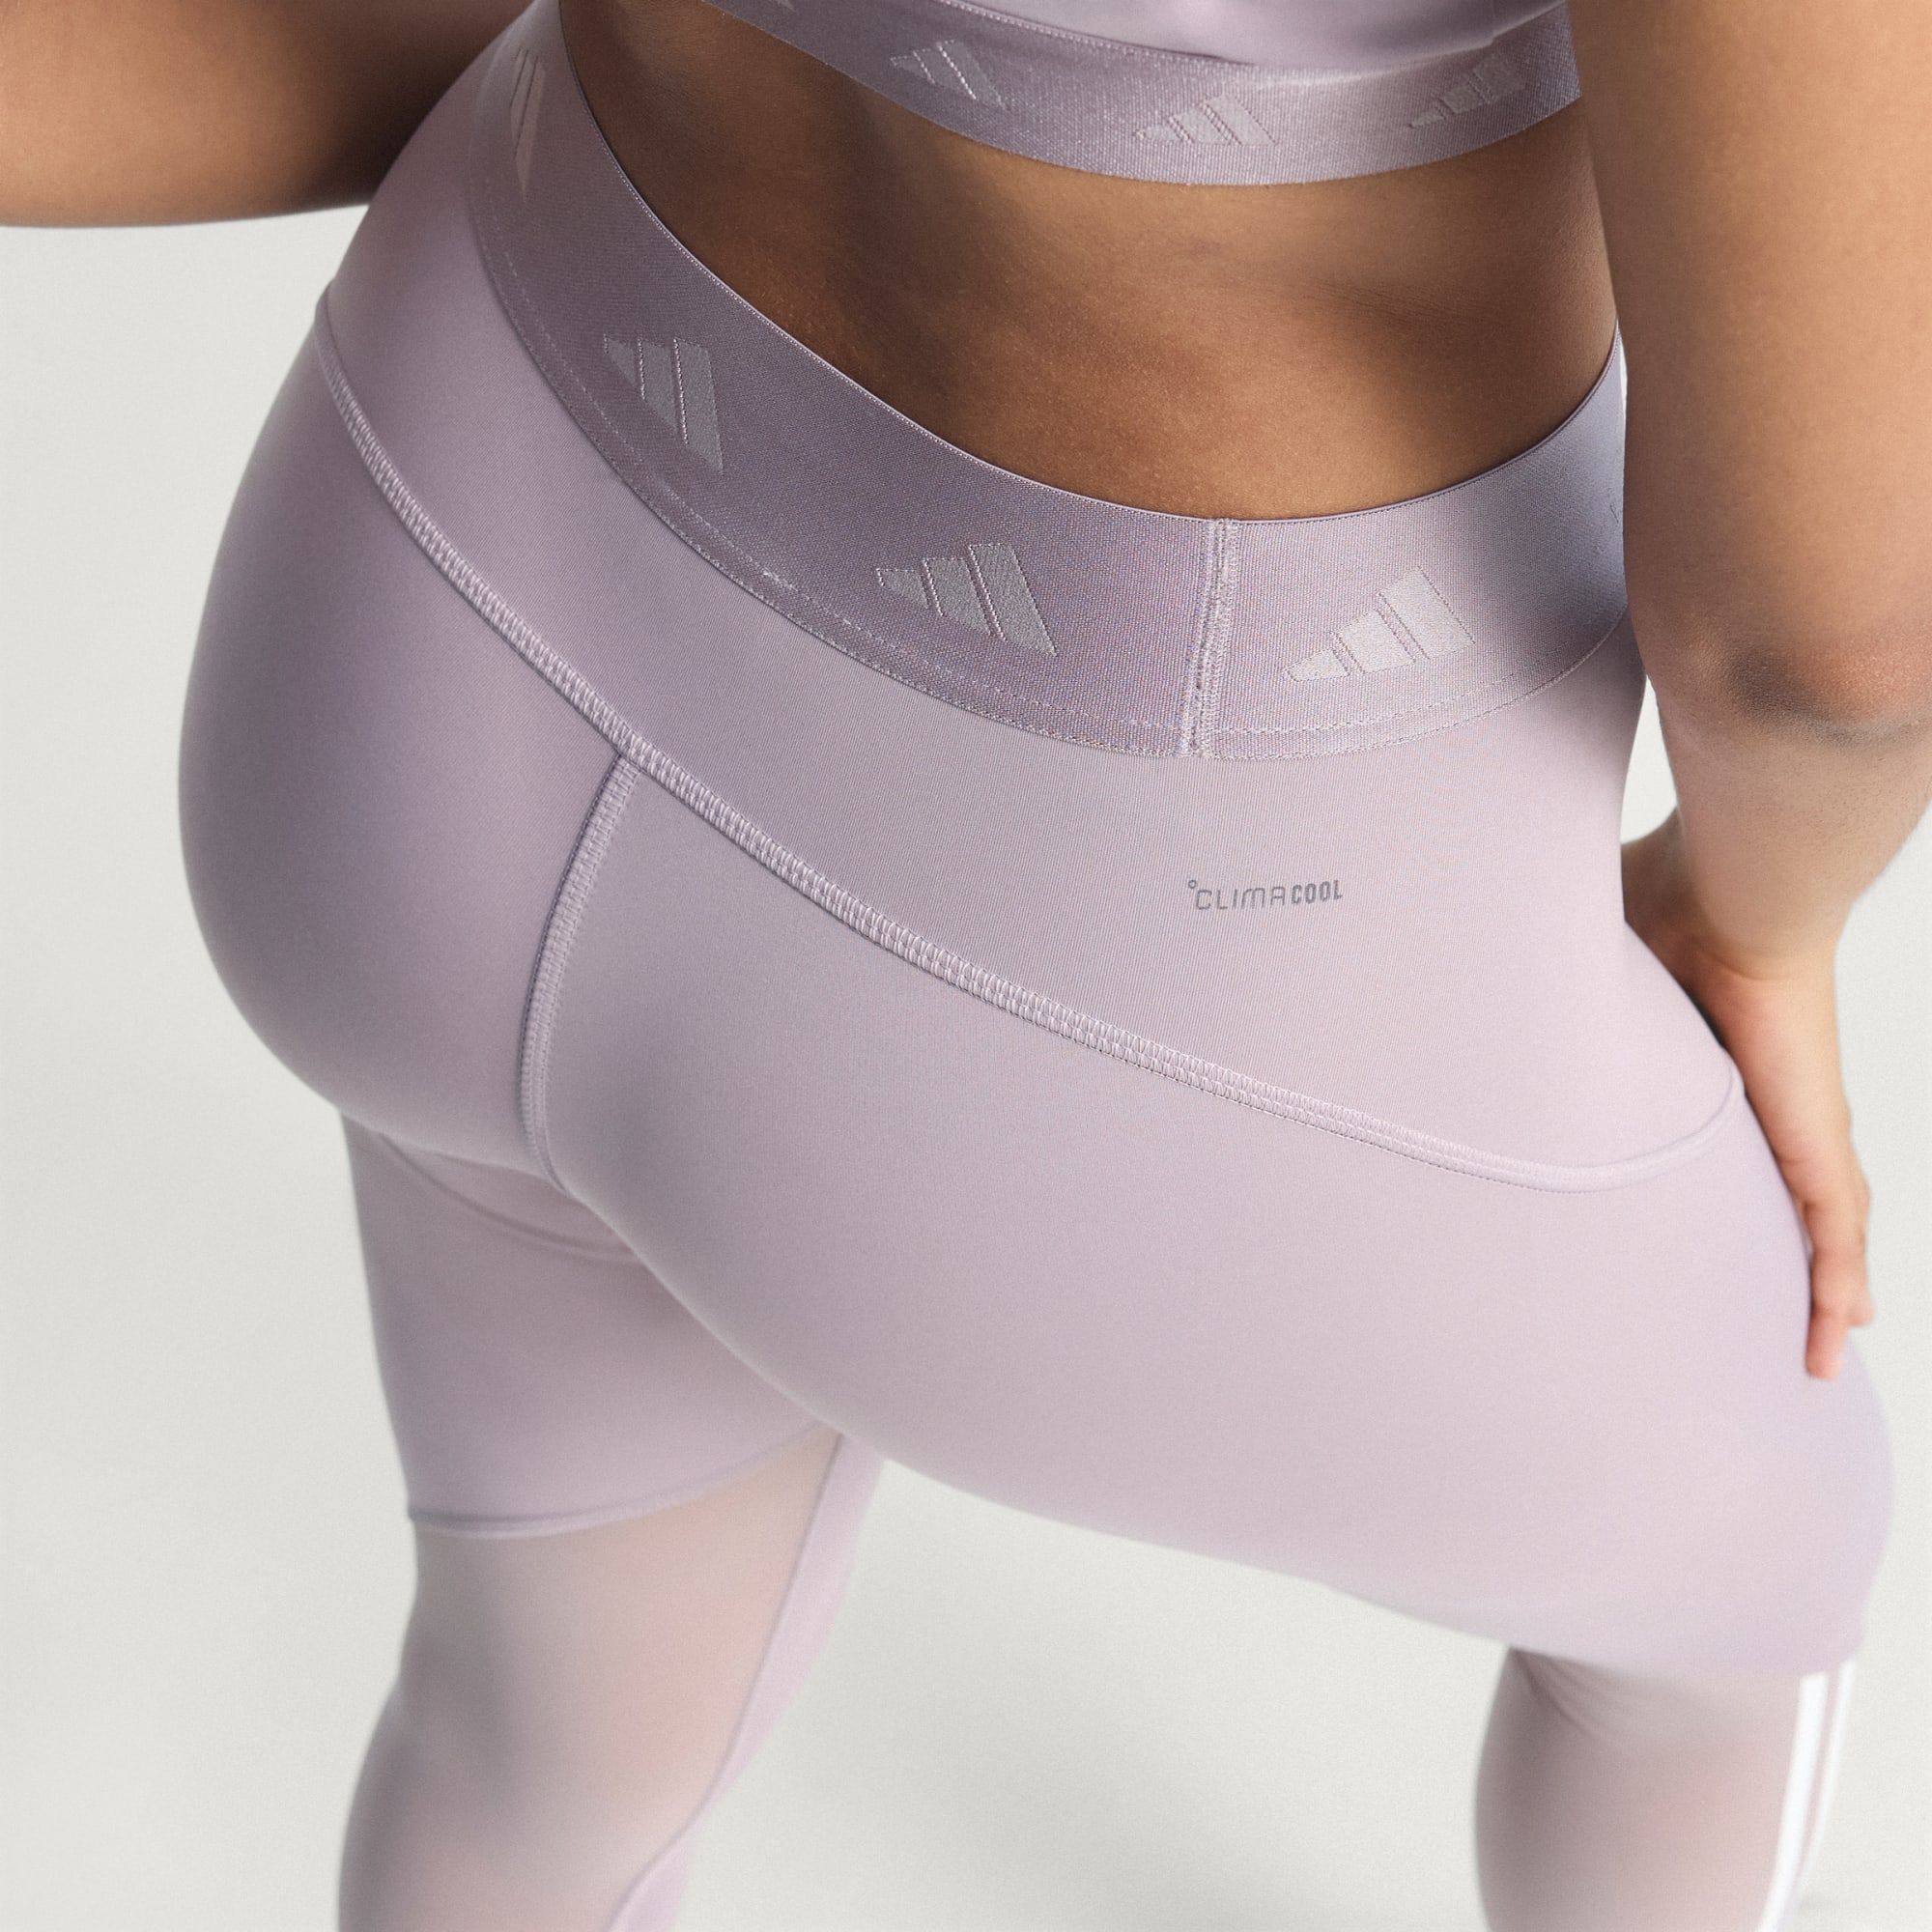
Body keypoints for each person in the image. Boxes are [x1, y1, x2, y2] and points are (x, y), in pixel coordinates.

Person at [5, 1, 1926, 1926]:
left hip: (421, 610)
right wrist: (1756, 916)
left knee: (543, 1749)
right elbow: (1826, 656)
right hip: (1142, 956)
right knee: (1760, 1575)